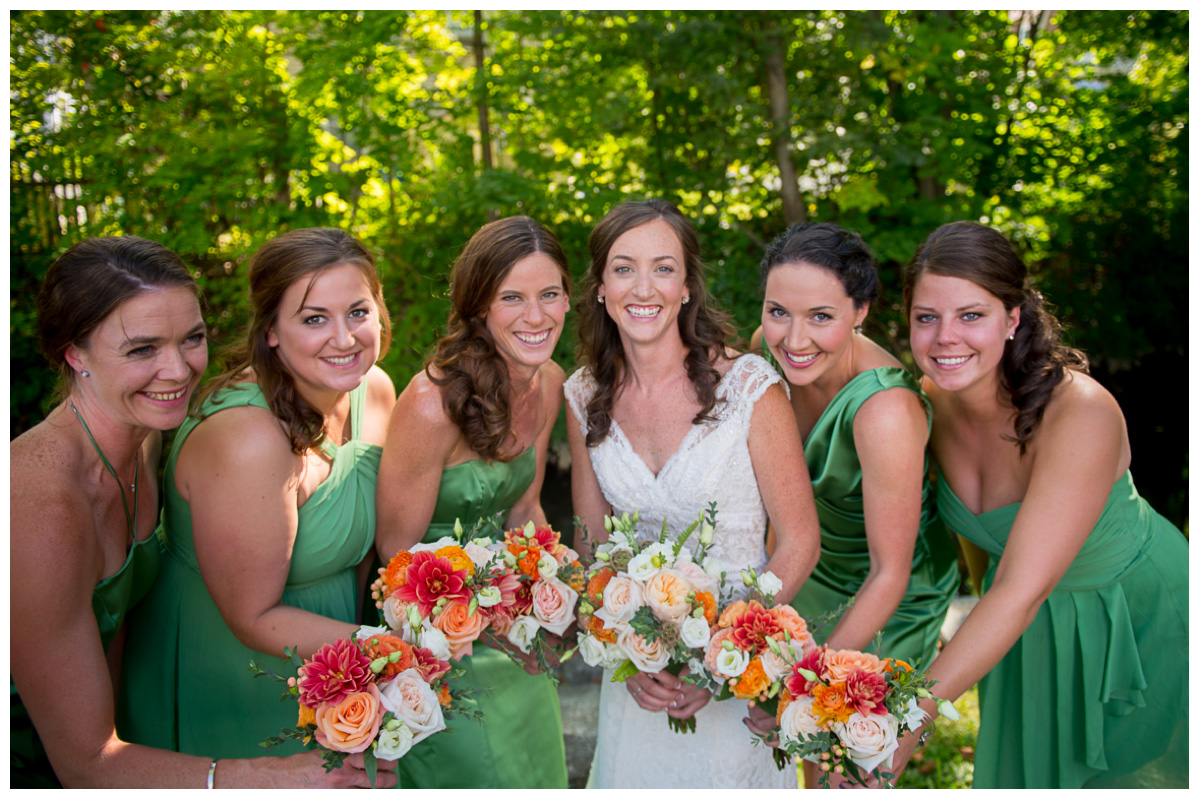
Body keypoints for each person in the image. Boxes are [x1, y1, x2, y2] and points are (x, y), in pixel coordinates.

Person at [11, 236, 391, 788]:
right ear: (74, 352)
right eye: (142, 349)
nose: (178, 370)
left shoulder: (140, 438)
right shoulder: (39, 505)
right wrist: (271, 777)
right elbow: (85, 763)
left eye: (192, 339)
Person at [878, 221, 1188, 788]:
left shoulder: (1081, 412)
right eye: (928, 317)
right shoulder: (921, 405)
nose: (947, 336)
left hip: (1138, 624)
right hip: (1020, 636)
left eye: (972, 315)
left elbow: (1021, 587)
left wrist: (907, 721)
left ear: (1013, 319)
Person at [565, 199, 821, 789]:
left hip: (738, 671)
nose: (643, 287)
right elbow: (593, 543)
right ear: (601, 287)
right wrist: (627, 651)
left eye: (663, 267)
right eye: (624, 268)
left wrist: (723, 659)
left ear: (686, 286)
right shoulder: (582, 395)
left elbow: (801, 540)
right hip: (638, 679)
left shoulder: (750, 386)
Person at [117, 228, 398, 760]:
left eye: (358, 312)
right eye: (314, 319)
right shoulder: (248, 438)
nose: (344, 338)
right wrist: (389, 652)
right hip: (234, 666)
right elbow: (253, 617)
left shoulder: (375, 389)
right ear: (271, 330)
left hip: (335, 647)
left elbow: (364, 549)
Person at [375, 216, 570, 788]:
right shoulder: (431, 404)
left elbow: (524, 512)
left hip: (517, 641)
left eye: (549, 295)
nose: (536, 317)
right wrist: (483, 627)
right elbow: (396, 556)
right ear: (479, 307)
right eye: (512, 298)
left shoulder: (550, 381)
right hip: (437, 640)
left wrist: (550, 606)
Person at [750, 223, 958, 665]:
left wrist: (812, 676)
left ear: (860, 311)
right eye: (778, 312)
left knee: (836, 720)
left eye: (821, 317)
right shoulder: (765, 353)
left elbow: (890, 573)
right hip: (805, 565)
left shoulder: (886, 411)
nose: (795, 339)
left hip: (892, 594)